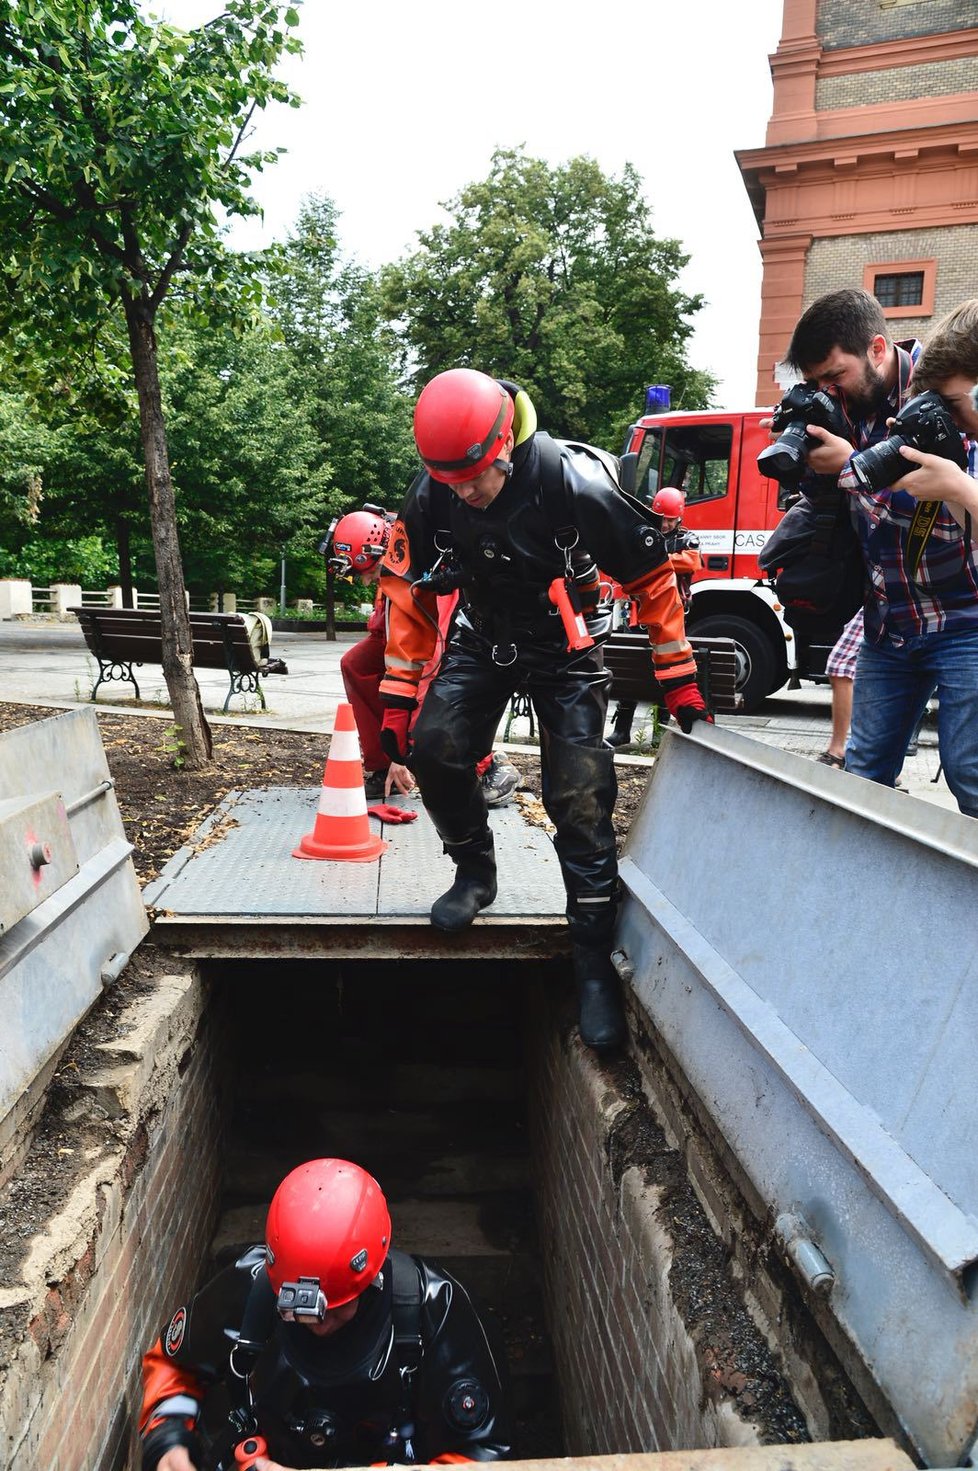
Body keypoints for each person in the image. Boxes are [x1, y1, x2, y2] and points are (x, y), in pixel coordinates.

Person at [376, 368, 709, 1051]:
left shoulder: (574, 485)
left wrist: (678, 676)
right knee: (433, 744)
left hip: (566, 646)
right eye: (449, 482)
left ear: (504, 444)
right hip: (482, 634)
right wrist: (398, 696)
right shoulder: (435, 492)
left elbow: (652, 579)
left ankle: (590, 958)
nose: (462, 492)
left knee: (580, 796)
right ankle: (474, 869)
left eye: (473, 477)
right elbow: (406, 591)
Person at [138, 1158, 513, 1471]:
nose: (317, 1324)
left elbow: (479, 1452)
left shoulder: (434, 1309)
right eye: (297, 1310)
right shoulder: (252, 1289)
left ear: (371, 1280)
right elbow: (175, 1365)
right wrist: (168, 1442)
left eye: (334, 1309)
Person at [783, 289, 978, 815]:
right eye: (818, 382)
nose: (829, 389)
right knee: (863, 775)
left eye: (835, 375)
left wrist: (855, 468)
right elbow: (845, 510)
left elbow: (949, 516)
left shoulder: (945, 400)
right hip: (888, 622)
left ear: (875, 348)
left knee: (971, 776)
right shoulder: (844, 407)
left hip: (963, 616)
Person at [328, 508, 519, 807]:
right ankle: (380, 767)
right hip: (409, 638)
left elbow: (425, 662)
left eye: (368, 574)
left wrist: (401, 752)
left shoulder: (423, 570)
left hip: (450, 643)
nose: (365, 583)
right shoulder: (391, 551)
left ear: (379, 554)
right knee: (356, 664)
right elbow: (387, 631)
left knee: (432, 698)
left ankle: (489, 766)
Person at [606, 486, 703, 748]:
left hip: (670, 614)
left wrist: (654, 561)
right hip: (638, 615)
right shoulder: (643, 533)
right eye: (663, 518)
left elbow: (691, 562)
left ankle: (659, 731)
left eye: (671, 519)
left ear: (679, 517)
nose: (667, 523)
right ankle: (622, 729)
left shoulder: (686, 539)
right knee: (632, 670)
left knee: (666, 669)